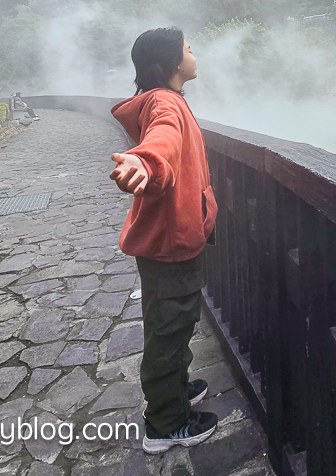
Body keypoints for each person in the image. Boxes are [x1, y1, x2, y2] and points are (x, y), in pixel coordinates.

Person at [108, 27, 219, 454]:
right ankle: (166, 423)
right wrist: (145, 161)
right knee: (168, 332)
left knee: (177, 322)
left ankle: (176, 389)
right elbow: (163, 141)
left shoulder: (167, 100)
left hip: (173, 238)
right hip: (170, 243)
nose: (194, 53)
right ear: (174, 62)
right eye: (189, 48)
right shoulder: (165, 103)